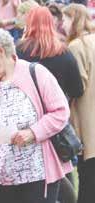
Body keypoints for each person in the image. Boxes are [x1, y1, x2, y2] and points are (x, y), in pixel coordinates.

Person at [0, 28, 72, 203]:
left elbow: (61, 112)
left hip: (37, 176)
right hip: (4, 179)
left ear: (0, 51)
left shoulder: (36, 73)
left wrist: (33, 132)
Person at [17, 6, 83, 203]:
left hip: (25, 122)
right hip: (56, 123)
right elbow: (78, 90)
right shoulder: (64, 53)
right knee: (62, 172)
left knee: (28, 176)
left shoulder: (19, 51)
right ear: (52, 23)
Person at [62, 4, 95, 203]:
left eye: (65, 20)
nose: (62, 25)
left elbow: (77, 85)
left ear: (73, 20)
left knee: (86, 178)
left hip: (86, 119)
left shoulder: (76, 46)